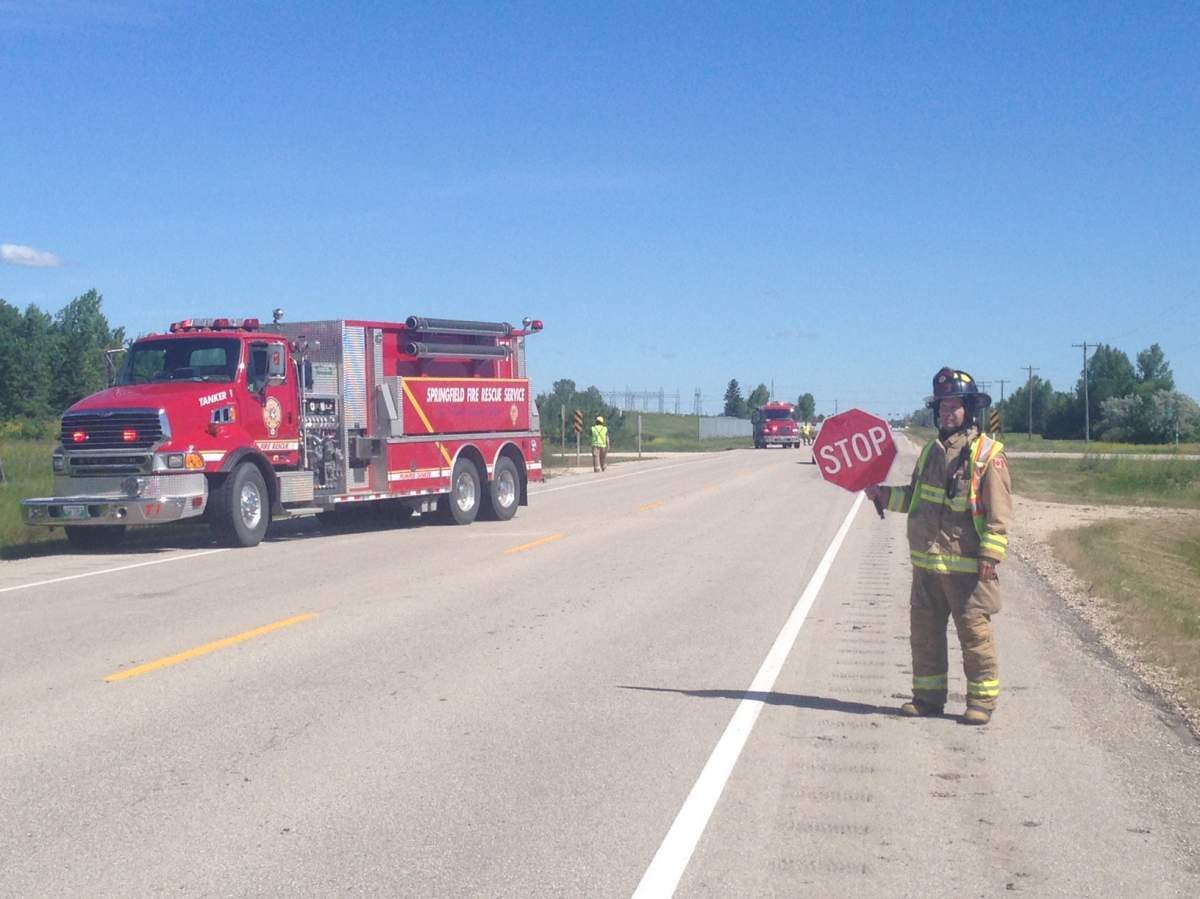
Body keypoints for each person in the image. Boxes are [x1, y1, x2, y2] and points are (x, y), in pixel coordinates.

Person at [864, 367, 1012, 726]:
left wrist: (990, 555)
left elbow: (999, 512)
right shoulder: (931, 451)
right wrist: (883, 495)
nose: (947, 413)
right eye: (942, 407)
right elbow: (917, 499)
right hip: (927, 565)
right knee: (925, 636)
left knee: (975, 637)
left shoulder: (986, 455)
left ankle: (981, 703)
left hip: (967, 568)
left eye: (954, 407)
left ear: (969, 411)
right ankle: (928, 699)